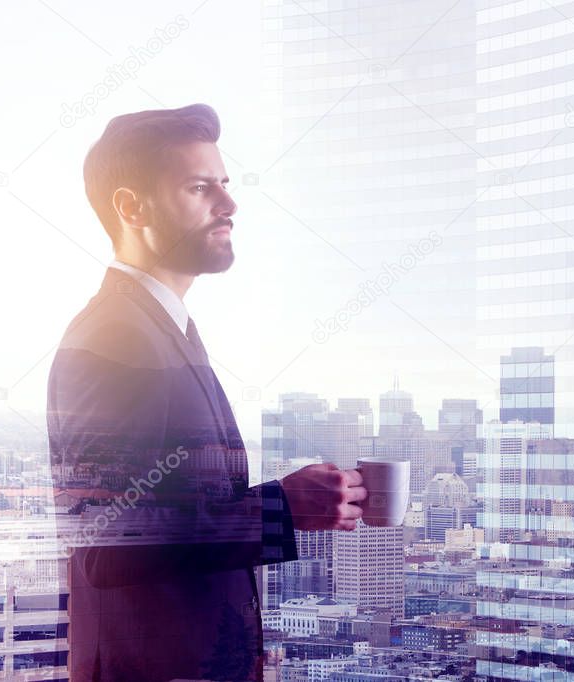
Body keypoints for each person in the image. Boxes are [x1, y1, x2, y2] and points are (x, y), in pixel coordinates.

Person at [45, 104, 368, 682]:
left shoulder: (163, 328)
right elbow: (104, 540)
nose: (229, 205)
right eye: (200, 187)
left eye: (225, 184)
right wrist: (282, 508)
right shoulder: (114, 333)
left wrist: (284, 507)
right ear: (130, 207)